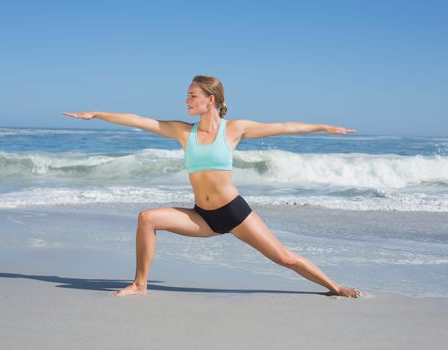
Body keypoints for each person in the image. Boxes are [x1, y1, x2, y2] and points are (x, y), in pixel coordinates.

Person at [62, 75, 361, 298]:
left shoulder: (234, 130)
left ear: (210, 100)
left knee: (284, 257)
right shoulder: (183, 132)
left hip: (234, 213)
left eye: (192, 96)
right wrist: (97, 114)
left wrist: (323, 127)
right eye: (187, 96)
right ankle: (140, 284)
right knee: (147, 218)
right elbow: (140, 121)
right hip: (202, 216)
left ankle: (335, 287)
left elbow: (284, 126)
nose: (186, 101)